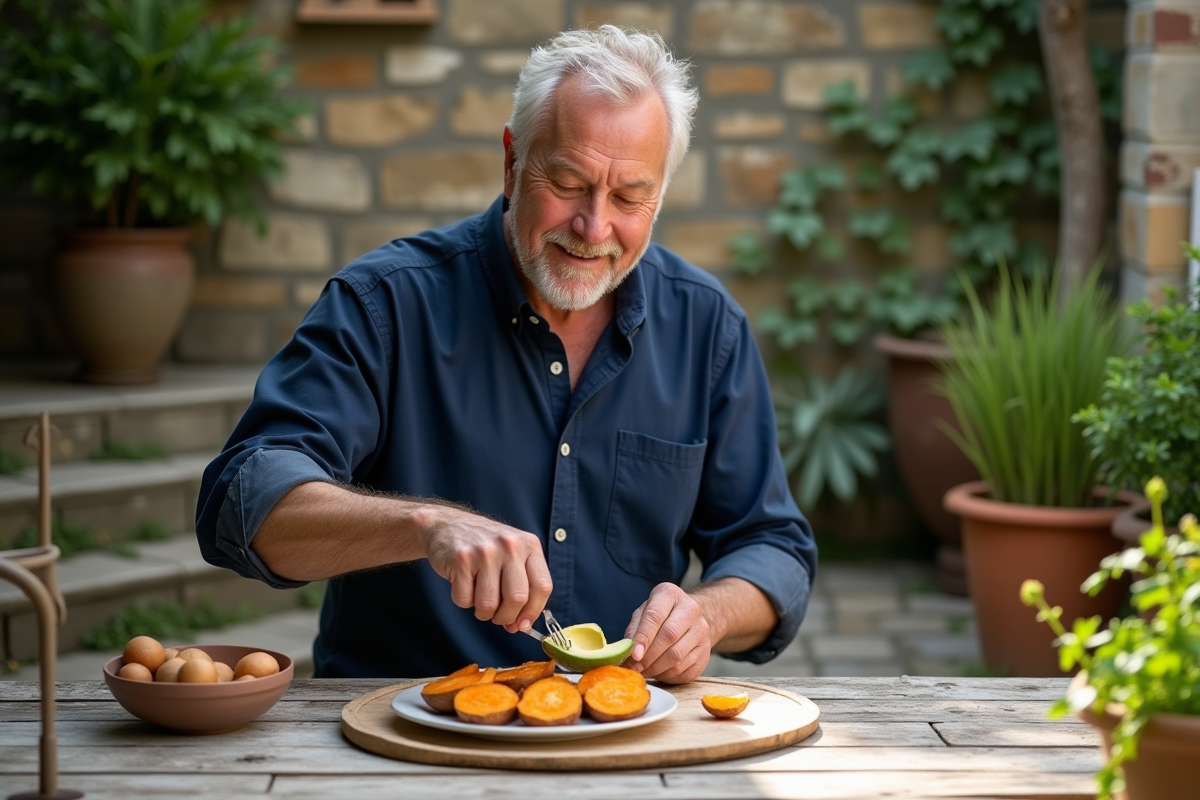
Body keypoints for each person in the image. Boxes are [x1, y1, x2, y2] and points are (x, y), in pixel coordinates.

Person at [195, 25, 817, 682]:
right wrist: (423, 526)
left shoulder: (706, 325)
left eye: (630, 197)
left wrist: (709, 615)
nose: (594, 227)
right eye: (570, 182)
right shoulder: (386, 304)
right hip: (403, 738)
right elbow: (244, 502)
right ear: (512, 160)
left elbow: (770, 546)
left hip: (616, 735)